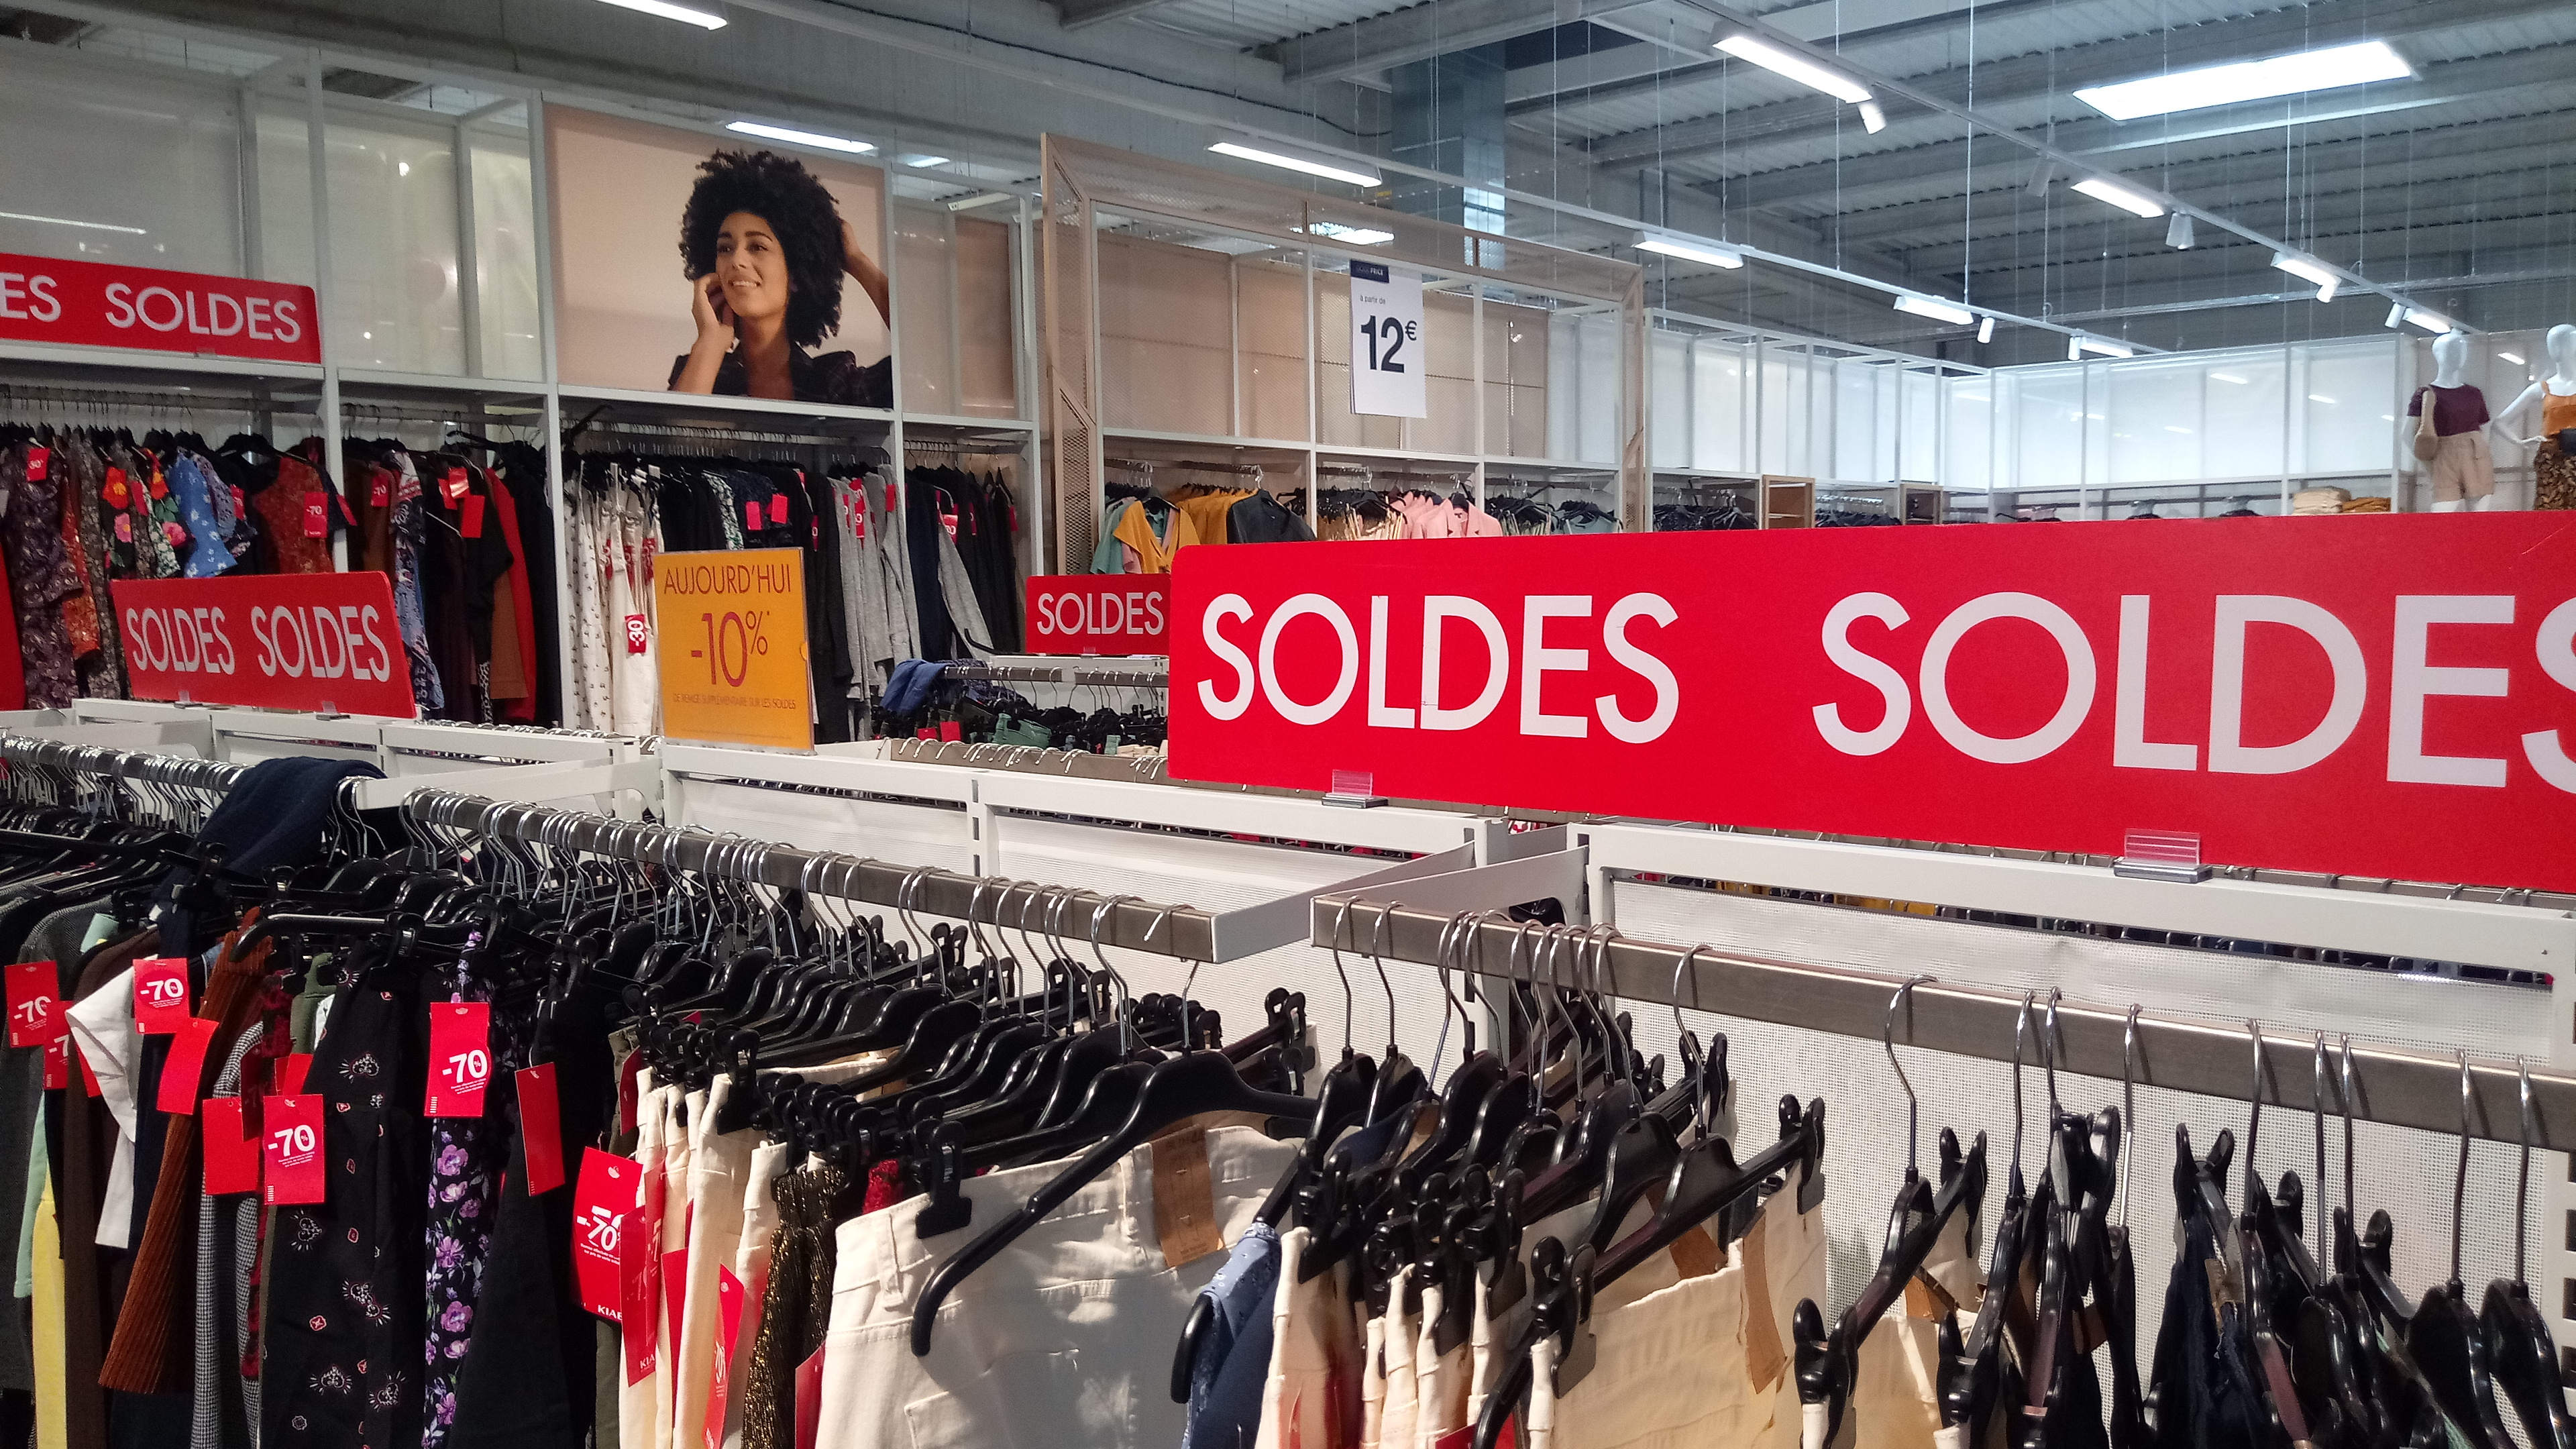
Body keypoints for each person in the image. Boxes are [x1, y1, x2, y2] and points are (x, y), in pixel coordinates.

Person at [667, 148, 893, 408]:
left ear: (796, 274)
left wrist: (856, 260)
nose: (736, 260)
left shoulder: (834, 380)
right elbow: (673, 433)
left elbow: (920, 359)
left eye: (757, 247)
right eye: (725, 248)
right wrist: (710, 342)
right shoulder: (700, 369)